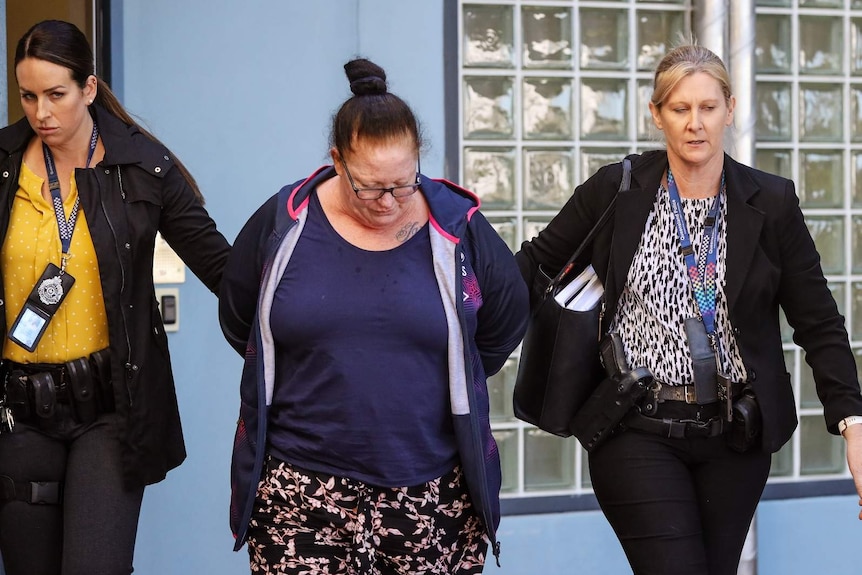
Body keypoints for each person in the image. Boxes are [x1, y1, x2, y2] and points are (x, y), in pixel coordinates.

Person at [516, 43, 862, 575]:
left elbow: (818, 323)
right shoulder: (618, 189)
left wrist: (853, 423)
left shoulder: (770, 203)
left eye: (707, 107)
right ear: (657, 114)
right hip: (635, 426)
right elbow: (534, 265)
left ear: (730, 108)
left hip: (735, 437)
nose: (695, 124)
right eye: (679, 109)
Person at [218, 57, 528, 574]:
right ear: (337, 161)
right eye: (369, 187)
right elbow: (241, 320)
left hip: (430, 492)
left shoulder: (456, 228)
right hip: (301, 492)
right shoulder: (285, 221)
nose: (388, 202)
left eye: (403, 184)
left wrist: (444, 371)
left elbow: (504, 318)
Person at [0, 19, 231, 575]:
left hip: (110, 408)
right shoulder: (5, 163)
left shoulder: (142, 167)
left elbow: (223, 269)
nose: (42, 113)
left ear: (89, 88)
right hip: (19, 412)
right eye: (28, 96)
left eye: (56, 95)